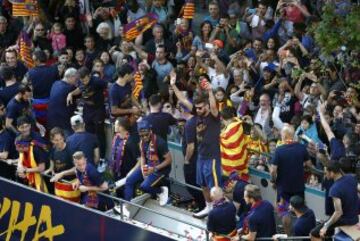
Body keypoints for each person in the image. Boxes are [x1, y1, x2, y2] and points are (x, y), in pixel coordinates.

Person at [192, 78, 222, 219]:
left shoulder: (213, 117)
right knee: (203, 185)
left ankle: (219, 211)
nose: (197, 110)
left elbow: (214, 107)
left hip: (212, 157)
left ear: (207, 107)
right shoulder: (198, 117)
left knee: (215, 188)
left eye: (200, 108)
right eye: (196, 108)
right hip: (201, 156)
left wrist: (210, 91)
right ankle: (208, 207)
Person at [124, 119, 171, 206]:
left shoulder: (160, 142)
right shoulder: (141, 142)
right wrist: (142, 168)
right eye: (142, 136)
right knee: (129, 180)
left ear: (150, 131)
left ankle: (161, 191)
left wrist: (154, 169)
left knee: (144, 186)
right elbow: (142, 156)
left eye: (146, 135)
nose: (144, 137)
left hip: (160, 169)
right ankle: (127, 205)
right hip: (148, 165)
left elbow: (169, 160)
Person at [310, 161, 359, 241]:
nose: (325, 175)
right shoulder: (351, 177)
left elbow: (338, 212)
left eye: (326, 173)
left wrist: (325, 226)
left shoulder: (334, 189)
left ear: (332, 173)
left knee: (314, 233)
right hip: (355, 217)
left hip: (346, 220)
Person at [15, 116, 49, 193]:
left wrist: (26, 170)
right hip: (28, 174)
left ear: (30, 125)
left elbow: (42, 165)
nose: (25, 129)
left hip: (41, 174)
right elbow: (21, 155)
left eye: (26, 126)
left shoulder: (37, 141)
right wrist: (20, 168)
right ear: (17, 128)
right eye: (22, 127)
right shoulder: (18, 138)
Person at [47, 68, 77, 134]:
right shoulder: (70, 88)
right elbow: (81, 92)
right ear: (71, 77)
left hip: (51, 120)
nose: (76, 81)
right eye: (76, 78)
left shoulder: (55, 83)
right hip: (63, 123)